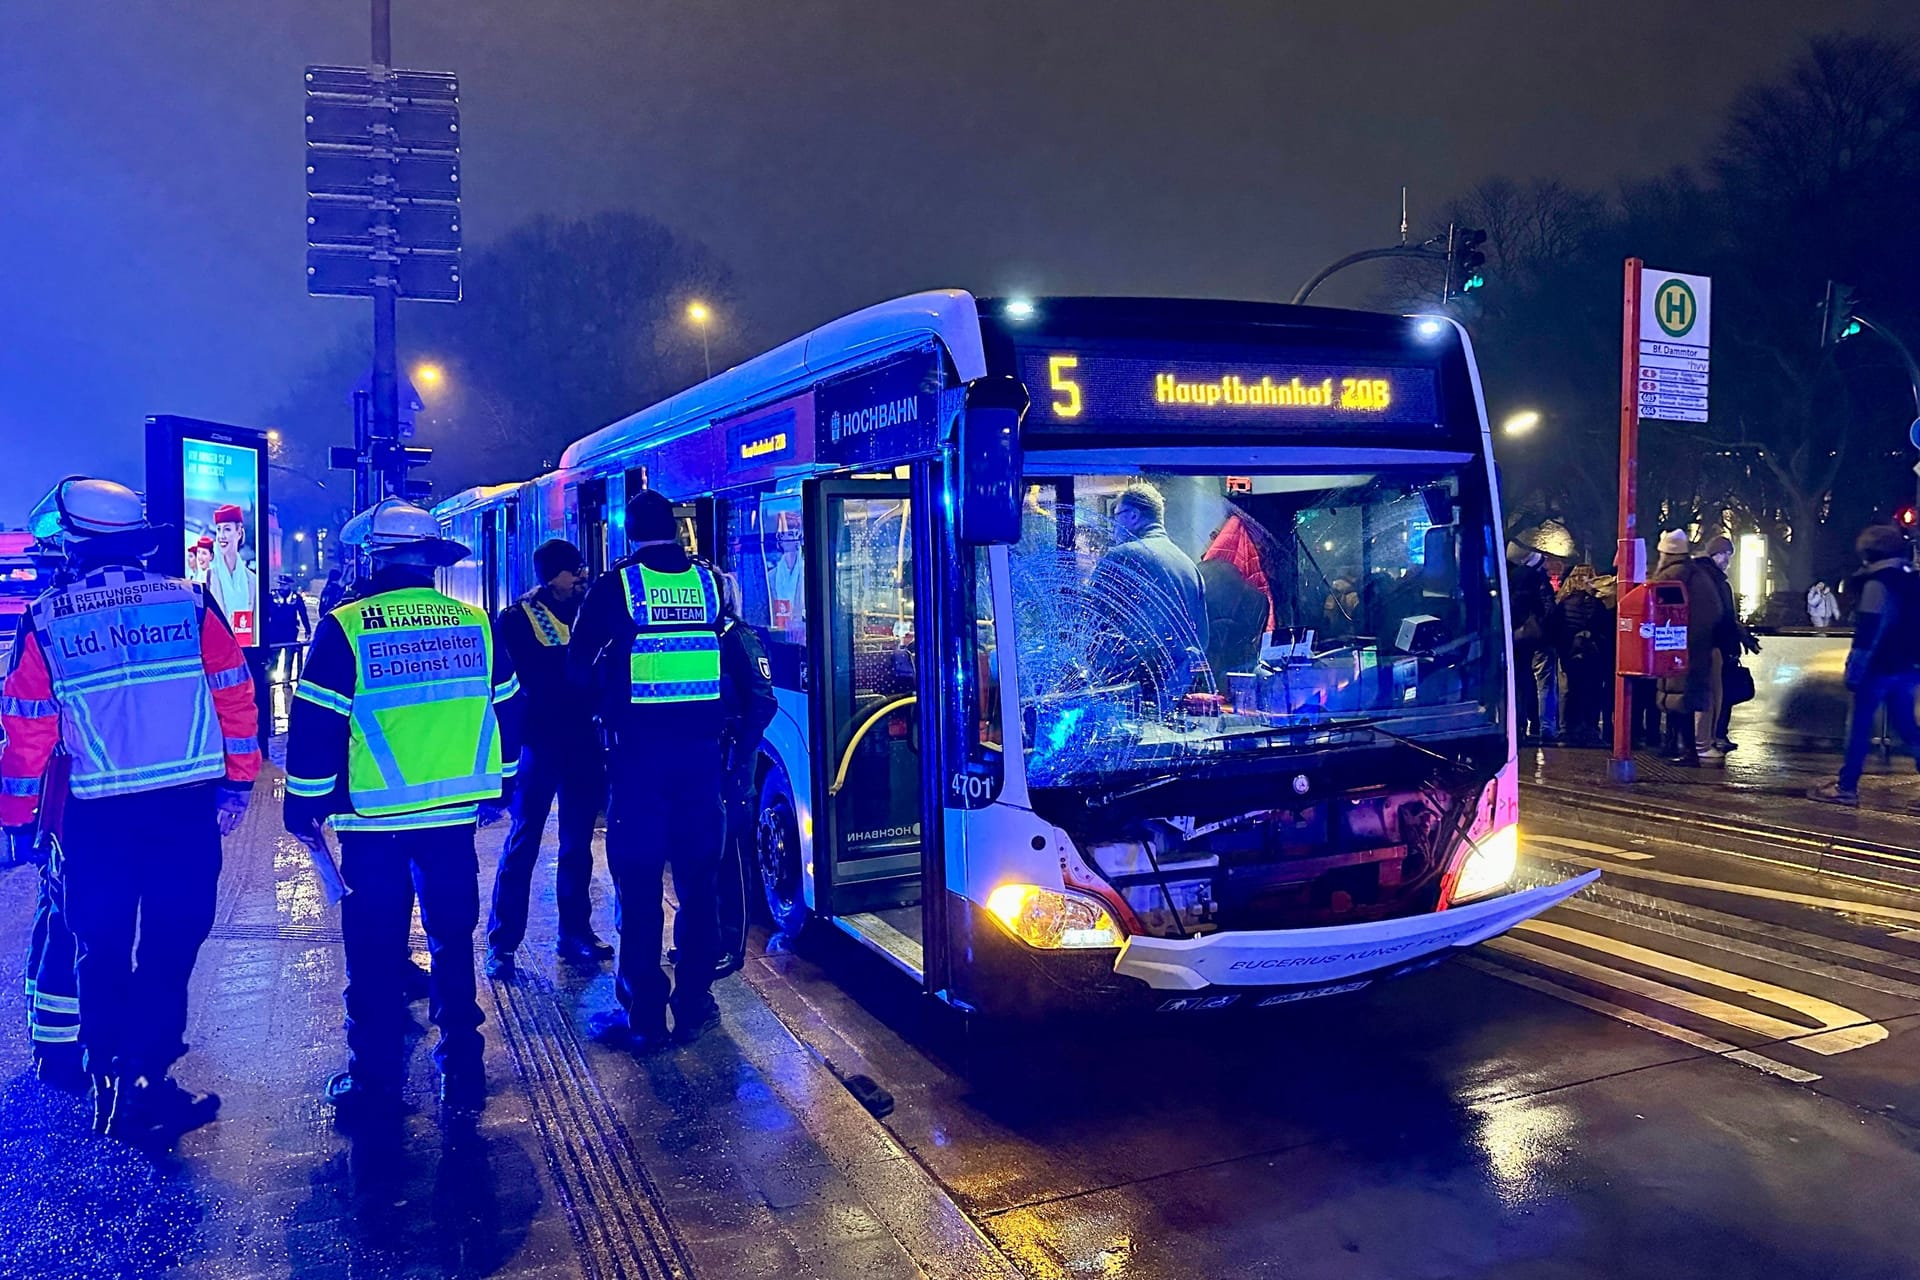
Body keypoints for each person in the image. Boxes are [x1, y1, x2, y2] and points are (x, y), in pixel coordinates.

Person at [1, 477, 260, 1142]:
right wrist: (237, 784)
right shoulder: (189, 600)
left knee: (102, 949)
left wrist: (15, 821)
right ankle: (150, 1080)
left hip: (98, 821)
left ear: (74, 543)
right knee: (172, 947)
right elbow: (235, 693)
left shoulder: (48, 618)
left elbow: (27, 731)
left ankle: (108, 1084)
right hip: (184, 813)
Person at [283, 498, 521, 1123]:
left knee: (374, 950)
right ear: (432, 561)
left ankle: (376, 1082)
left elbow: (315, 731)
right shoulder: (475, 622)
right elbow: (510, 713)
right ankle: (463, 1066)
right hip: (450, 819)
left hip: (374, 827)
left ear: (372, 558)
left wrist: (303, 807)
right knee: (452, 939)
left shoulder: (346, 626)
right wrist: (502, 788)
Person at [569, 488, 740, 1048]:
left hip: (638, 761)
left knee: (639, 887)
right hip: (701, 758)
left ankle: (643, 1012)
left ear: (629, 534)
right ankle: (696, 1001)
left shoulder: (616, 586)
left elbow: (577, 668)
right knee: (698, 884)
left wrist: (606, 701)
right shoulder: (712, 584)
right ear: (678, 530)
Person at [484, 539, 612, 978]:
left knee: (578, 845)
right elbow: (536, 681)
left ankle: (574, 933)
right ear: (550, 576)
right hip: (537, 744)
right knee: (524, 842)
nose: (581, 576)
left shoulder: (590, 611)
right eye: (573, 570)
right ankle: (501, 944)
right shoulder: (516, 620)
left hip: (582, 743)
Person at [1808, 525, 1920, 805]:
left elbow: (1869, 632)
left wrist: (1855, 669)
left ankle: (1846, 787)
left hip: (1878, 667)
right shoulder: (1911, 580)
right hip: (1907, 665)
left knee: (1858, 727)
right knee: (1907, 727)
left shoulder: (1877, 583)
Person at [1091, 483, 1208, 707]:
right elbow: (1201, 640)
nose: (1114, 527)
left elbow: (1089, 625)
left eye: (1116, 517)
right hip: (1174, 698)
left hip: (1128, 699)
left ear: (1133, 516)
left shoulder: (1122, 557)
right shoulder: (1188, 565)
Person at [713, 572, 778, 975]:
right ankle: (706, 936)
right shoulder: (712, 634)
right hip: (711, 759)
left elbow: (763, 702)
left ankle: (732, 945)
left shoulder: (738, 638)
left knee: (733, 855)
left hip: (732, 763)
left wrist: (739, 752)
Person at [1651, 530, 1719, 766]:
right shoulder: (1697, 574)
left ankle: (1686, 751)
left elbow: (1659, 609)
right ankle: (1683, 749)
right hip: (1697, 647)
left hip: (1676, 646)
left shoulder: (1672, 575)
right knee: (1685, 699)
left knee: (1678, 700)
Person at [1548, 564, 1609, 746]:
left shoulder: (1563, 603)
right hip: (1592, 653)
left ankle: (1568, 729)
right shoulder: (1596, 603)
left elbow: (1557, 629)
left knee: (1570, 691)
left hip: (1570, 653)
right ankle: (1589, 729)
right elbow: (1603, 627)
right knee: (1592, 691)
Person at [1505, 535, 1555, 743]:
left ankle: (1519, 724)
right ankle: (1534, 723)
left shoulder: (1510, 577)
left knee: (1518, 679)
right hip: (1531, 636)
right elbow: (1547, 607)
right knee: (1533, 680)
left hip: (1515, 634)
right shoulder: (1536, 579)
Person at [207, 503, 258, 640]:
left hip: (244, 650)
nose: (221, 536)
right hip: (217, 649)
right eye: (219, 530)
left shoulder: (252, 580)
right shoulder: (208, 576)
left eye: (227, 529)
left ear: (239, 533)